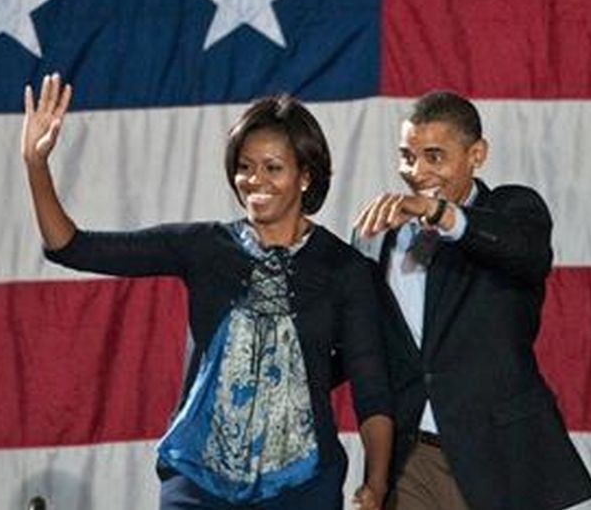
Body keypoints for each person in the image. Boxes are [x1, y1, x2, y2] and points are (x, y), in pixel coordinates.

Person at [22, 74, 394, 510]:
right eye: (244, 166)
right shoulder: (203, 247)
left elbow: (371, 390)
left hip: (302, 486)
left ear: (305, 176)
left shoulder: (344, 269)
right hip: (197, 482)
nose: (255, 180)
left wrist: (377, 482)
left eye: (272, 167)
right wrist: (36, 165)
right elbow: (71, 247)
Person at [352, 90, 591, 510]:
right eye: (407, 156)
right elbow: (364, 346)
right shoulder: (381, 235)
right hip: (414, 458)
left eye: (434, 156)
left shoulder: (512, 210)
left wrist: (437, 213)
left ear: (476, 153)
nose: (416, 171)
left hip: (501, 456)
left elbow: (525, 250)